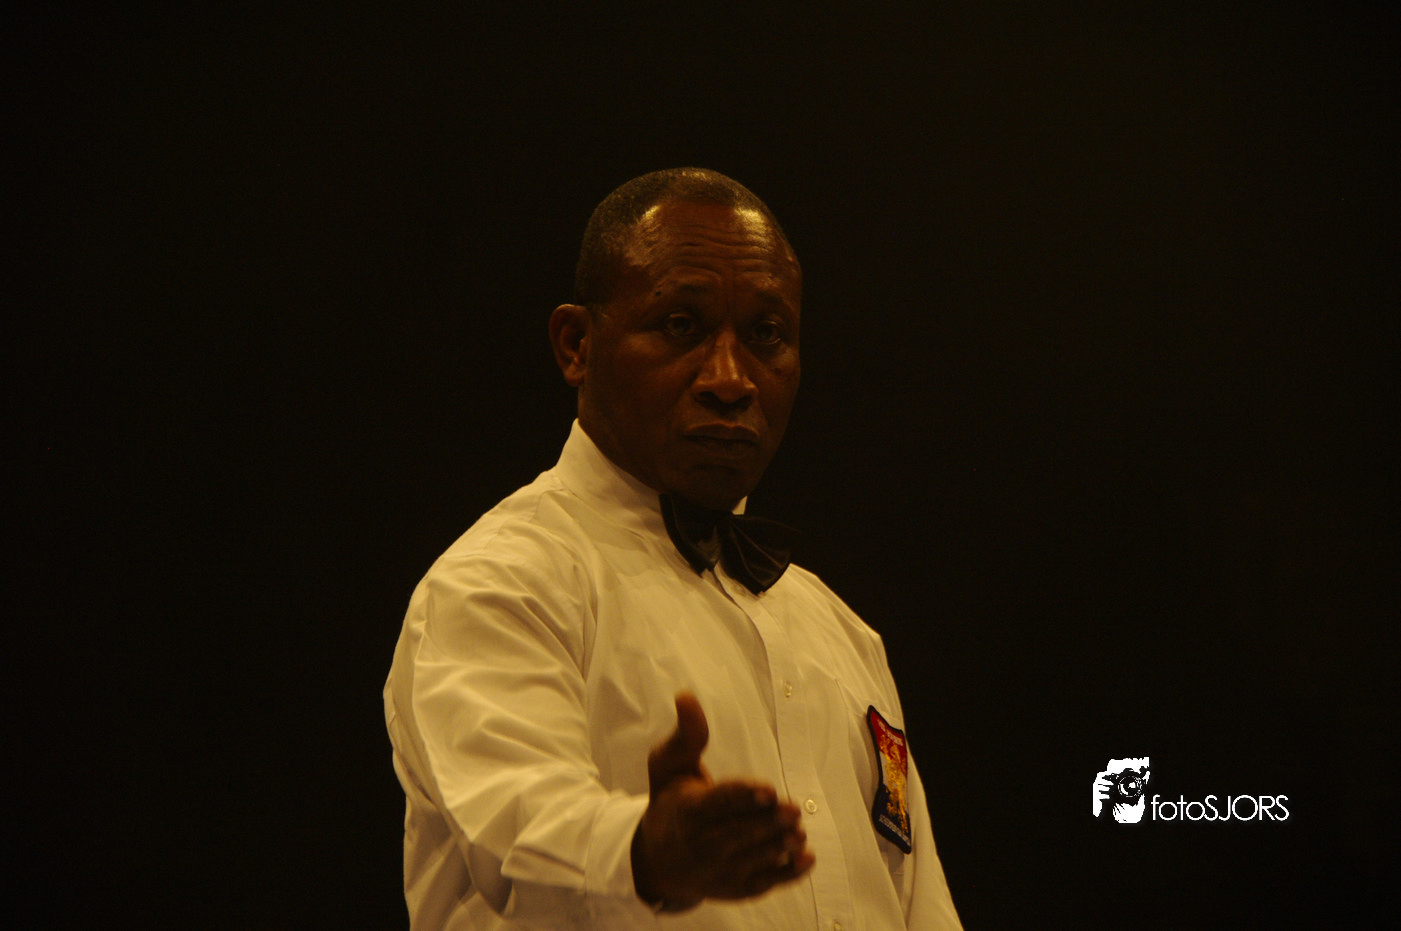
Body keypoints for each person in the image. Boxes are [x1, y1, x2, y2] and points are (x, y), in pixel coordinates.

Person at [384, 168, 962, 930]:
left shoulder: (844, 635)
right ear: (576, 345)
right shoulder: (496, 584)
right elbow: (516, 826)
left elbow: (919, 907)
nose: (730, 379)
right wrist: (645, 853)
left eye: (765, 335)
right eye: (681, 325)